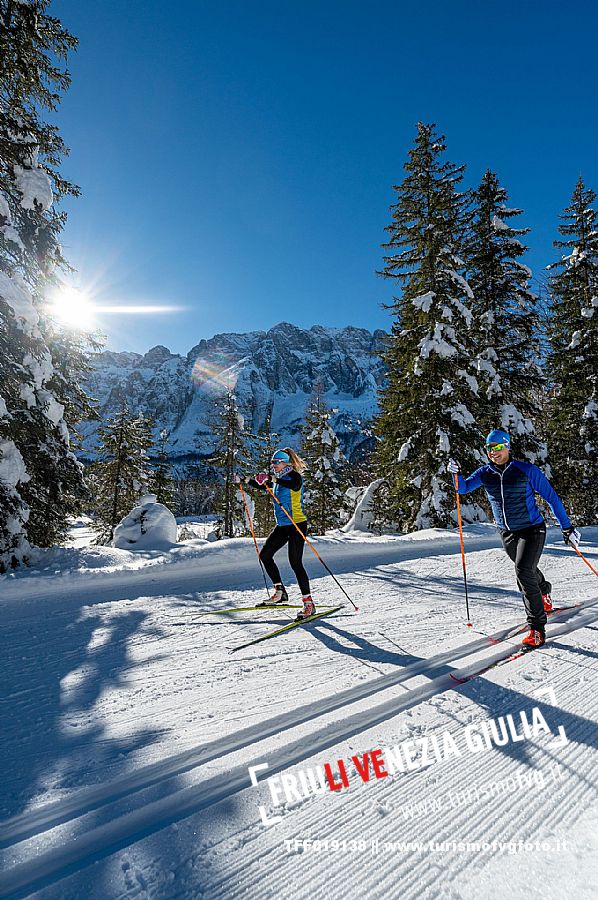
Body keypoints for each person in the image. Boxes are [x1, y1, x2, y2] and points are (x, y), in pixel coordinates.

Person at [448, 429, 579, 648]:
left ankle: (537, 628)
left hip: (532, 530)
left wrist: (567, 527)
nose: (494, 453)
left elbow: (551, 498)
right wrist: (455, 474)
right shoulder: (485, 473)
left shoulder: (525, 470)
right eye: (490, 449)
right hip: (507, 532)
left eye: (498, 448)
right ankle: (544, 592)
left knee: (523, 571)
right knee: (528, 569)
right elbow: (463, 488)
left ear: (507, 446)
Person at [245, 448, 315, 621]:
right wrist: (245, 480)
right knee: (265, 555)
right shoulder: (279, 480)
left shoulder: (293, 476)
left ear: (286, 463)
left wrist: (272, 479)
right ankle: (280, 592)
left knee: (295, 563)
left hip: (297, 524)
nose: (273, 465)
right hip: (283, 526)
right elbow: (263, 486)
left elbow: (294, 485)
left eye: (276, 462)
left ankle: (309, 604)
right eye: (272, 463)